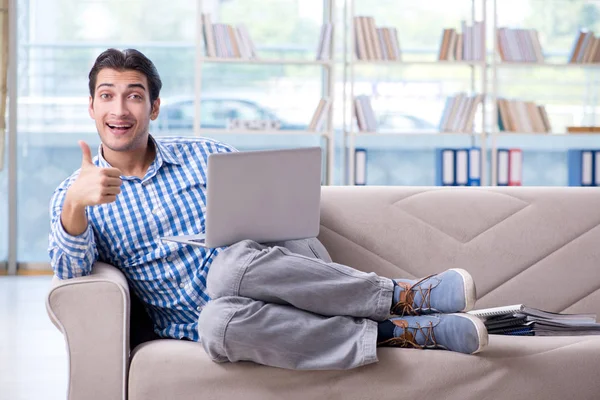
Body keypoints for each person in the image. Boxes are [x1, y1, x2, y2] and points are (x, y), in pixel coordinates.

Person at [48, 48, 488, 371]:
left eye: (134, 96)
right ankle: (407, 333)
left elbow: (279, 215)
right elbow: (71, 275)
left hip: (284, 277)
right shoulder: (75, 195)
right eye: (107, 96)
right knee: (215, 324)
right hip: (226, 319)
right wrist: (75, 204)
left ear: (155, 107)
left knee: (228, 266)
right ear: (92, 107)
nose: (119, 109)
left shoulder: (206, 154)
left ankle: (407, 296)